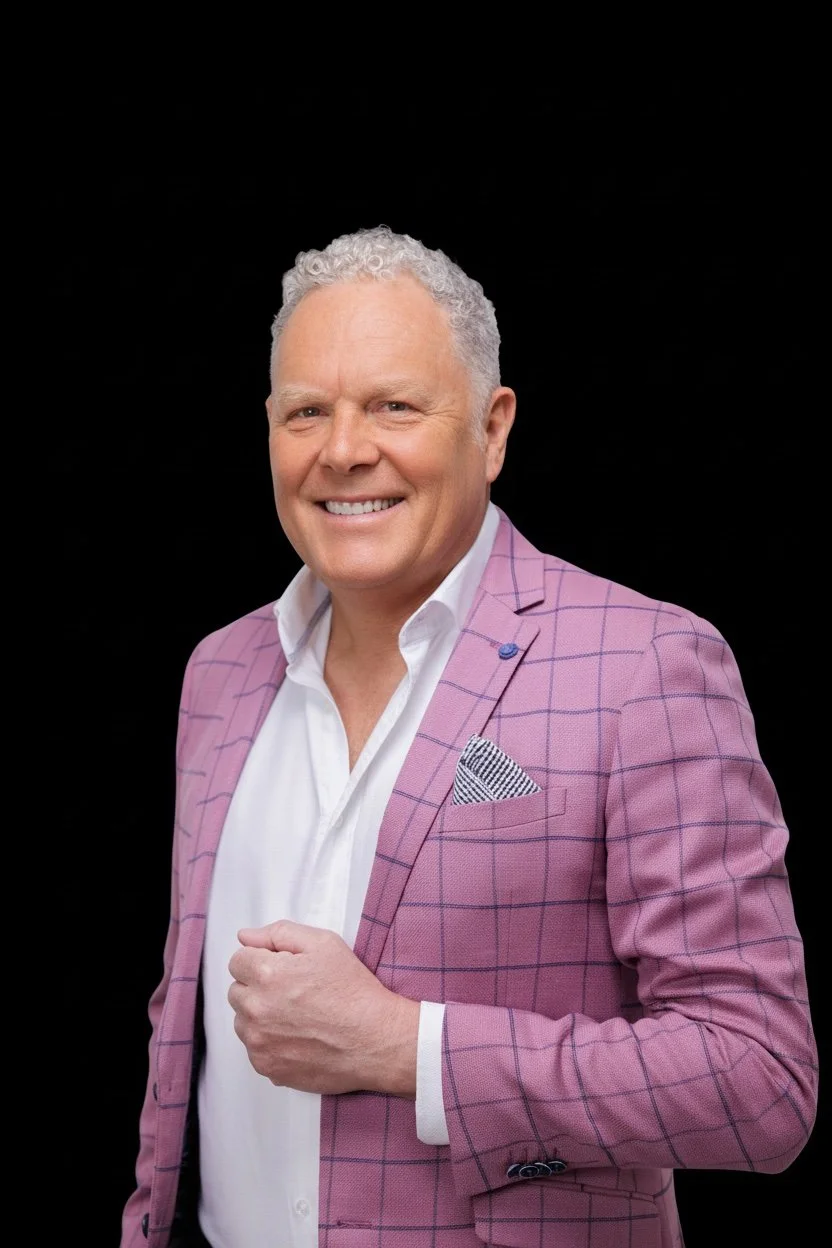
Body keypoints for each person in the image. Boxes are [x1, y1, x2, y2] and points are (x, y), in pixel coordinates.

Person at [121, 226, 817, 1248]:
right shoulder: (216, 676)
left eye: (394, 405)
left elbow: (758, 1080)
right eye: (306, 411)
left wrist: (408, 1047)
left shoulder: (645, 668)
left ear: (492, 430)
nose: (344, 448)